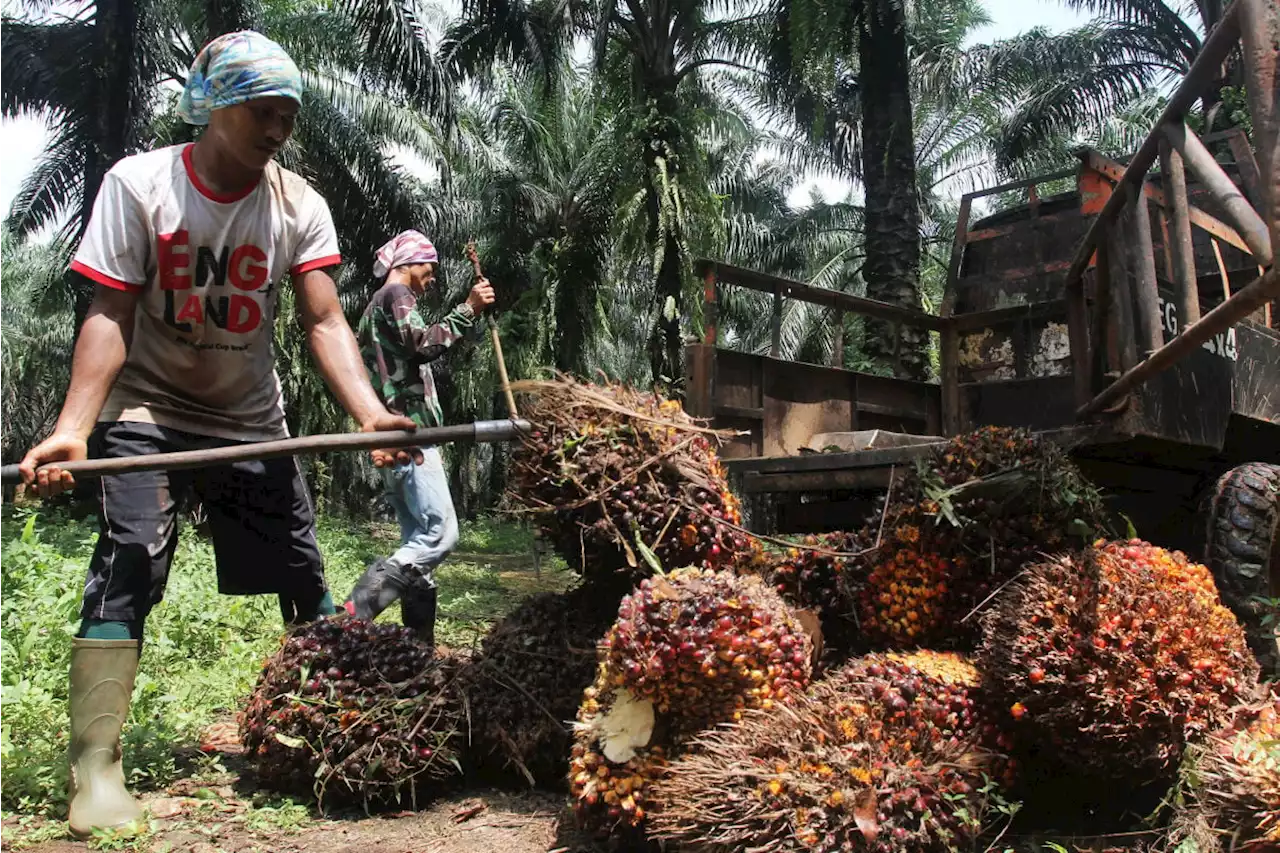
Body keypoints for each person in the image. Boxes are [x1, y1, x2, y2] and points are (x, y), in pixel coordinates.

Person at [17, 32, 419, 839]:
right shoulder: (141, 186)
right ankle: (94, 769)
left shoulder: (298, 204)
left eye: (288, 118)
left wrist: (371, 413)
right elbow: (109, 314)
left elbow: (325, 319)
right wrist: (72, 430)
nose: (277, 131)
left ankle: (321, 726)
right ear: (215, 107)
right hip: (146, 411)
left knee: (302, 574)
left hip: (247, 417)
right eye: (262, 113)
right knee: (129, 557)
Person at [343, 230, 495, 647]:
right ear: (409, 262)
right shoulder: (396, 295)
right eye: (429, 266)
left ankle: (417, 649)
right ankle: (352, 615)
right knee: (441, 536)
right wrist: (469, 309)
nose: (432, 276)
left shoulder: (374, 308)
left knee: (417, 548)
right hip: (410, 435)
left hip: (394, 437)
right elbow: (423, 345)